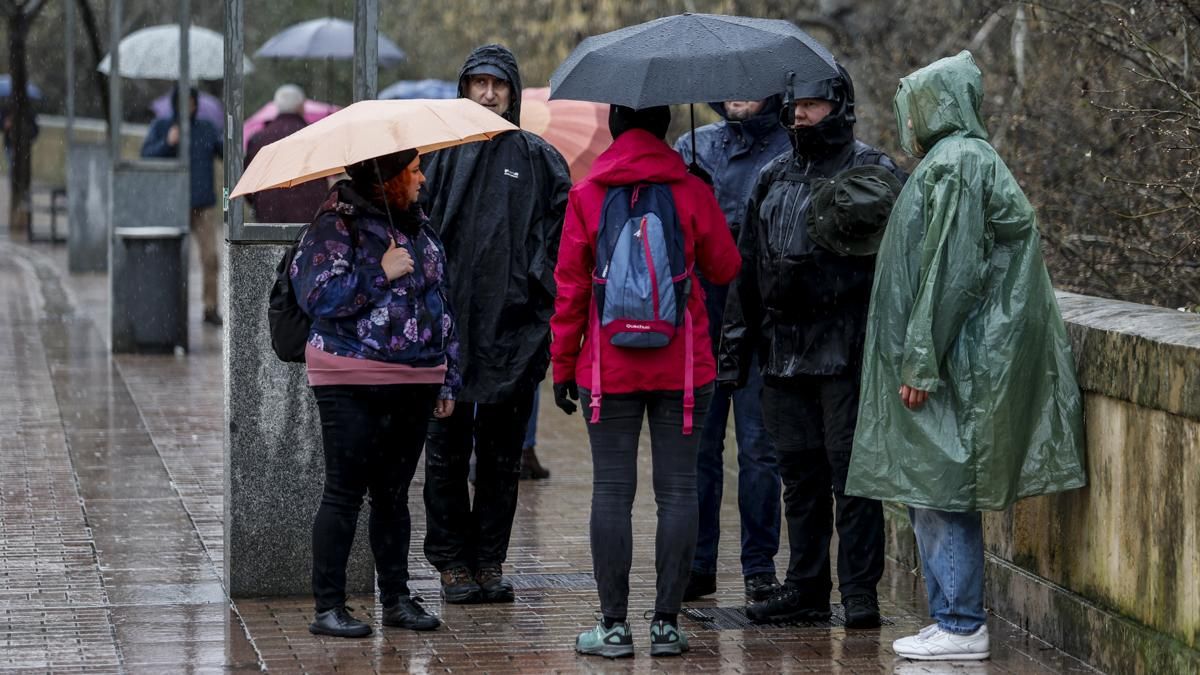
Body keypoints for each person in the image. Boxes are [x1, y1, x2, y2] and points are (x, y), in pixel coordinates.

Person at [846, 51, 1086, 661]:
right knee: (935, 484)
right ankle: (952, 616)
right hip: (965, 355)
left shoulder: (955, 163)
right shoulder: (961, 161)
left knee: (942, 485)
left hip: (959, 362)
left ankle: (959, 623)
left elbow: (951, 270)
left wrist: (922, 360)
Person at [718, 64, 907, 629]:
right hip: (783, 353)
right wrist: (734, 354)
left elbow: (899, 272)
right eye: (794, 103)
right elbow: (746, 271)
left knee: (852, 479)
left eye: (813, 104)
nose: (799, 113)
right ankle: (805, 586)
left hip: (847, 353)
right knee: (798, 478)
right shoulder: (774, 176)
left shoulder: (873, 172)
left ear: (839, 105)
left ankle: (859, 593)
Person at [552, 105, 741, 658]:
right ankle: (666, 625)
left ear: (614, 125)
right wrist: (702, 195)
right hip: (683, 369)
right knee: (678, 491)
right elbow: (726, 268)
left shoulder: (587, 194)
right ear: (665, 127)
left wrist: (563, 365)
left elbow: (570, 291)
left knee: (612, 491)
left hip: (607, 371)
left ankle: (612, 628)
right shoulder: (689, 189)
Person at [419, 44, 571, 604]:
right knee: (445, 452)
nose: (487, 94)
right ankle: (452, 563)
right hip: (445, 334)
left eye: (497, 85)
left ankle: (489, 559)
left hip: (513, 332)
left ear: (512, 91)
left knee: (502, 457)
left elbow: (557, 244)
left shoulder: (539, 160)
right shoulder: (434, 157)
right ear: (463, 89)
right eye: (478, 83)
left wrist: (537, 309)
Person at [291, 148, 461, 638]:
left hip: (415, 377)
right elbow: (317, 296)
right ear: (388, 180)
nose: (422, 178)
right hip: (350, 374)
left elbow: (441, 300)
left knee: (393, 495)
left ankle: (397, 598)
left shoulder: (417, 225)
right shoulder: (334, 223)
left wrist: (447, 373)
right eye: (412, 171)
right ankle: (329, 606)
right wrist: (379, 272)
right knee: (345, 492)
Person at [674, 97, 790, 603]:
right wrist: (690, 196)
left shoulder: (788, 150)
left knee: (759, 451)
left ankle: (759, 565)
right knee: (699, 450)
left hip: (761, 324)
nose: (741, 97)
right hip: (702, 322)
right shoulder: (692, 147)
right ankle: (698, 563)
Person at [141, 85, 225, 326]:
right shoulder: (162, 126)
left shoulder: (206, 128)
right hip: (173, 204)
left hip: (204, 205)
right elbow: (146, 155)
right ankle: (169, 306)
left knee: (210, 258)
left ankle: (210, 307)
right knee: (172, 259)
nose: (187, 107)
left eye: (191, 102)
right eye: (182, 102)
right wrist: (167, 143)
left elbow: (225, 153)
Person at [245, 84, 328, 224]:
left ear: (276, 106)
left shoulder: (259, 138)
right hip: (310, 214)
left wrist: (259, 202)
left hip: (269, 214)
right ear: (302, 106)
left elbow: (248, 181)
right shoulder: (315, 136)